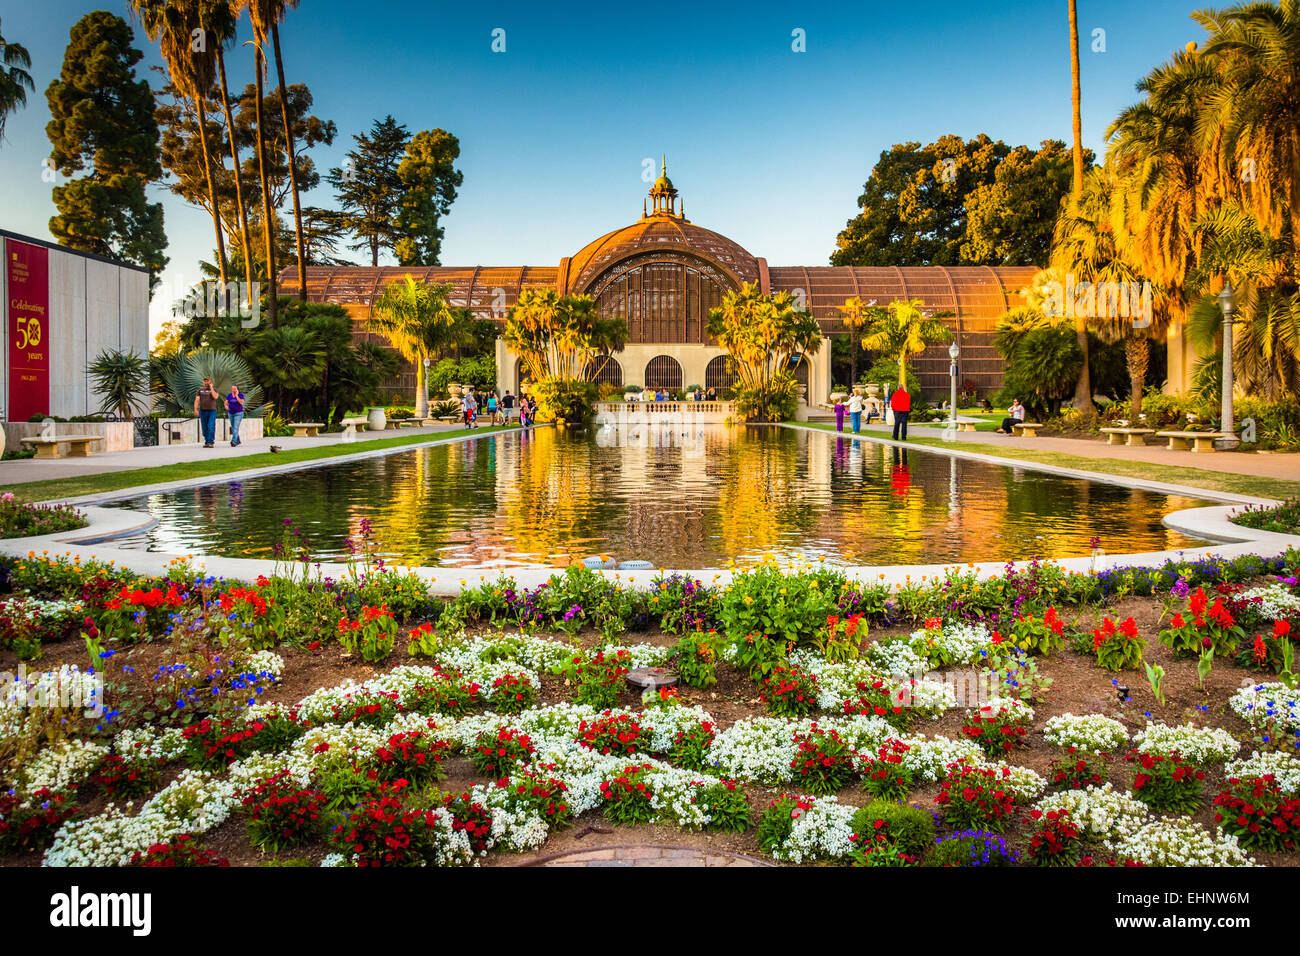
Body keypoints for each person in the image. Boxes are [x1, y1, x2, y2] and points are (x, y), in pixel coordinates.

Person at [194, 377, 220, 448]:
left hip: (212, 411)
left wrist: (211, 388)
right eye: (204, 381)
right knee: (204, 427)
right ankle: (207, 441)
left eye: (207, 381)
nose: (206, 382)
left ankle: (211, 442)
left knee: (211, 426)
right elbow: (197, 400)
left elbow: (215, 397)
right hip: (202, 411)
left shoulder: (214, 390)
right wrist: (195, 409)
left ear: (210, 382)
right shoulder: (200, 390)